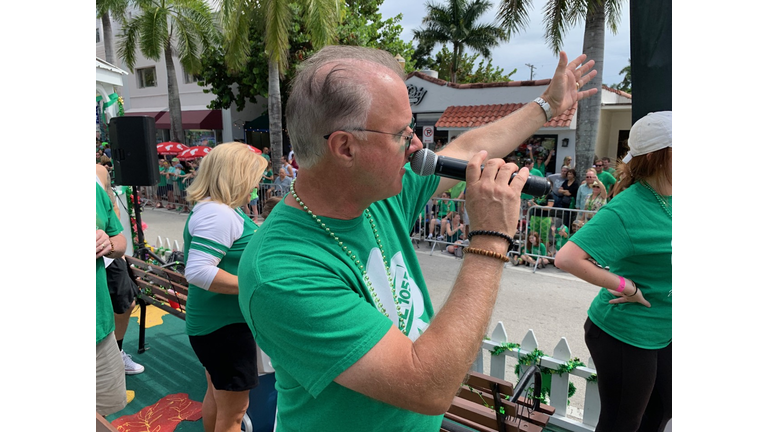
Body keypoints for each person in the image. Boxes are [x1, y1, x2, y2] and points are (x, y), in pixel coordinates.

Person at [236, 45, 597, 431]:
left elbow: (468, 148)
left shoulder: (373, 196)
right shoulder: (281, 271)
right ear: (345, 147)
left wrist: (547, 104)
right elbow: (428, 387)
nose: (417, 146)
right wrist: (490, 237)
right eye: (401, 134)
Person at [555, 111, 671, 431]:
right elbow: (567, 258)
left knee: (661, 412)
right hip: (625, 333)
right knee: (623, 423)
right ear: (667, 155)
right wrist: (626, 287)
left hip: (665, 327)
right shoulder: (628, 208)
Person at [182, 143, 269, 432]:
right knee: (234, 411)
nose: (257, 185)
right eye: (255, 178)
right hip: (225, 328)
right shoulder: (219, 213)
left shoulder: (215, 209)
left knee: (218, 397)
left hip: (213, 325)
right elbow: (198, 271)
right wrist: (254, 288)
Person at [96, 164, 145, 376]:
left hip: (108, 259)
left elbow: (113, 210)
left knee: (126, 304)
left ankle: (117, 351)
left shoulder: (97, 173)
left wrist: (111, 243)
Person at [96, 180, 129, 416]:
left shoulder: (92, 189)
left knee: (104, 411)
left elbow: (120, 241)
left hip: (100, 329)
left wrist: (108, 243)